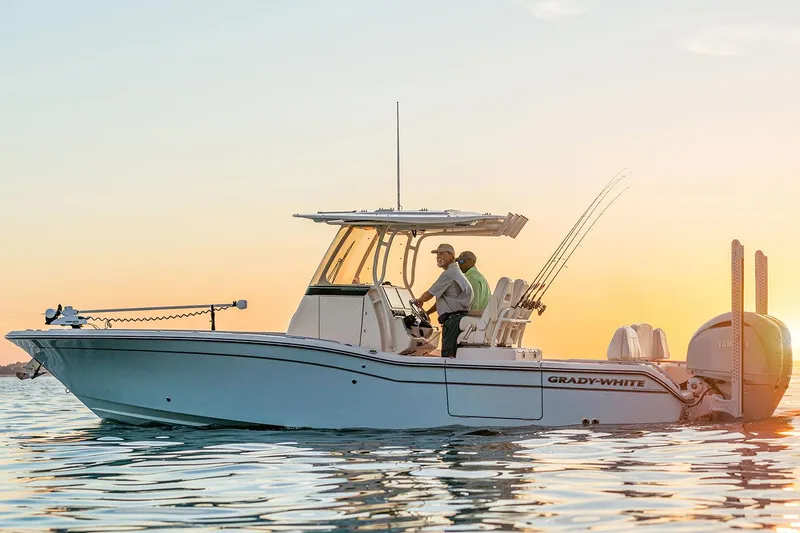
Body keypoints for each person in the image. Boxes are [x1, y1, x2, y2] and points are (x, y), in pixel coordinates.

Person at [411, 243, 473, 357]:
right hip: (456, 319)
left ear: (451, 256)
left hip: (452, 321)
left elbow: (429, 294)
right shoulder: (456, 272)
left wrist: (419, 301)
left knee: (448, 355)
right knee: (452, 354)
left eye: (442, 253)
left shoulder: (449, 274)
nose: (438, 256)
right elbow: (443, 299)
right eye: (437, 254)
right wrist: (428, 312)